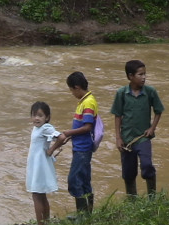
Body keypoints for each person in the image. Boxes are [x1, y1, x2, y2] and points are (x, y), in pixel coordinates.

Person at [110, 60, 164, 199]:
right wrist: (118, 138)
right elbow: (117, 115)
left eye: (145, 74)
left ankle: (152, 197)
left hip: (143, 137)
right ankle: (132, 200)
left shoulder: (150, 92)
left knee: (147, 166)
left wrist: (152, 128)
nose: (144, 77)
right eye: (140, 74)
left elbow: (158, 111)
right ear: (130, 76)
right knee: (128, 172)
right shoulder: (122, 93)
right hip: (127, 140)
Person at [63, 71, 98, 214]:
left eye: (71, 90)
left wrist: (68, 133)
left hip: (83, 148)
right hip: (81, 146)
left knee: (74, 180)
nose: (72, 93)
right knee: (84, 180)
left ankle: (82, 214)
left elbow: (87, 127)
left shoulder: (88, 102)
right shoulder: (85, 100)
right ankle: (88, 214)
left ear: (77, 87)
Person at [26, 101, 66, 225]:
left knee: (36, 195)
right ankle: (46, 222)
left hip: (40, 165)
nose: (36, 118)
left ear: (47, 117)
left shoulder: (45, 128)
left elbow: (61, 137)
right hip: (36, 164)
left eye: (40, 115)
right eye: (34, 115)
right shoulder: (36, 128)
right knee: (41, 194)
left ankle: (41, 223)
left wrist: (51, 150)